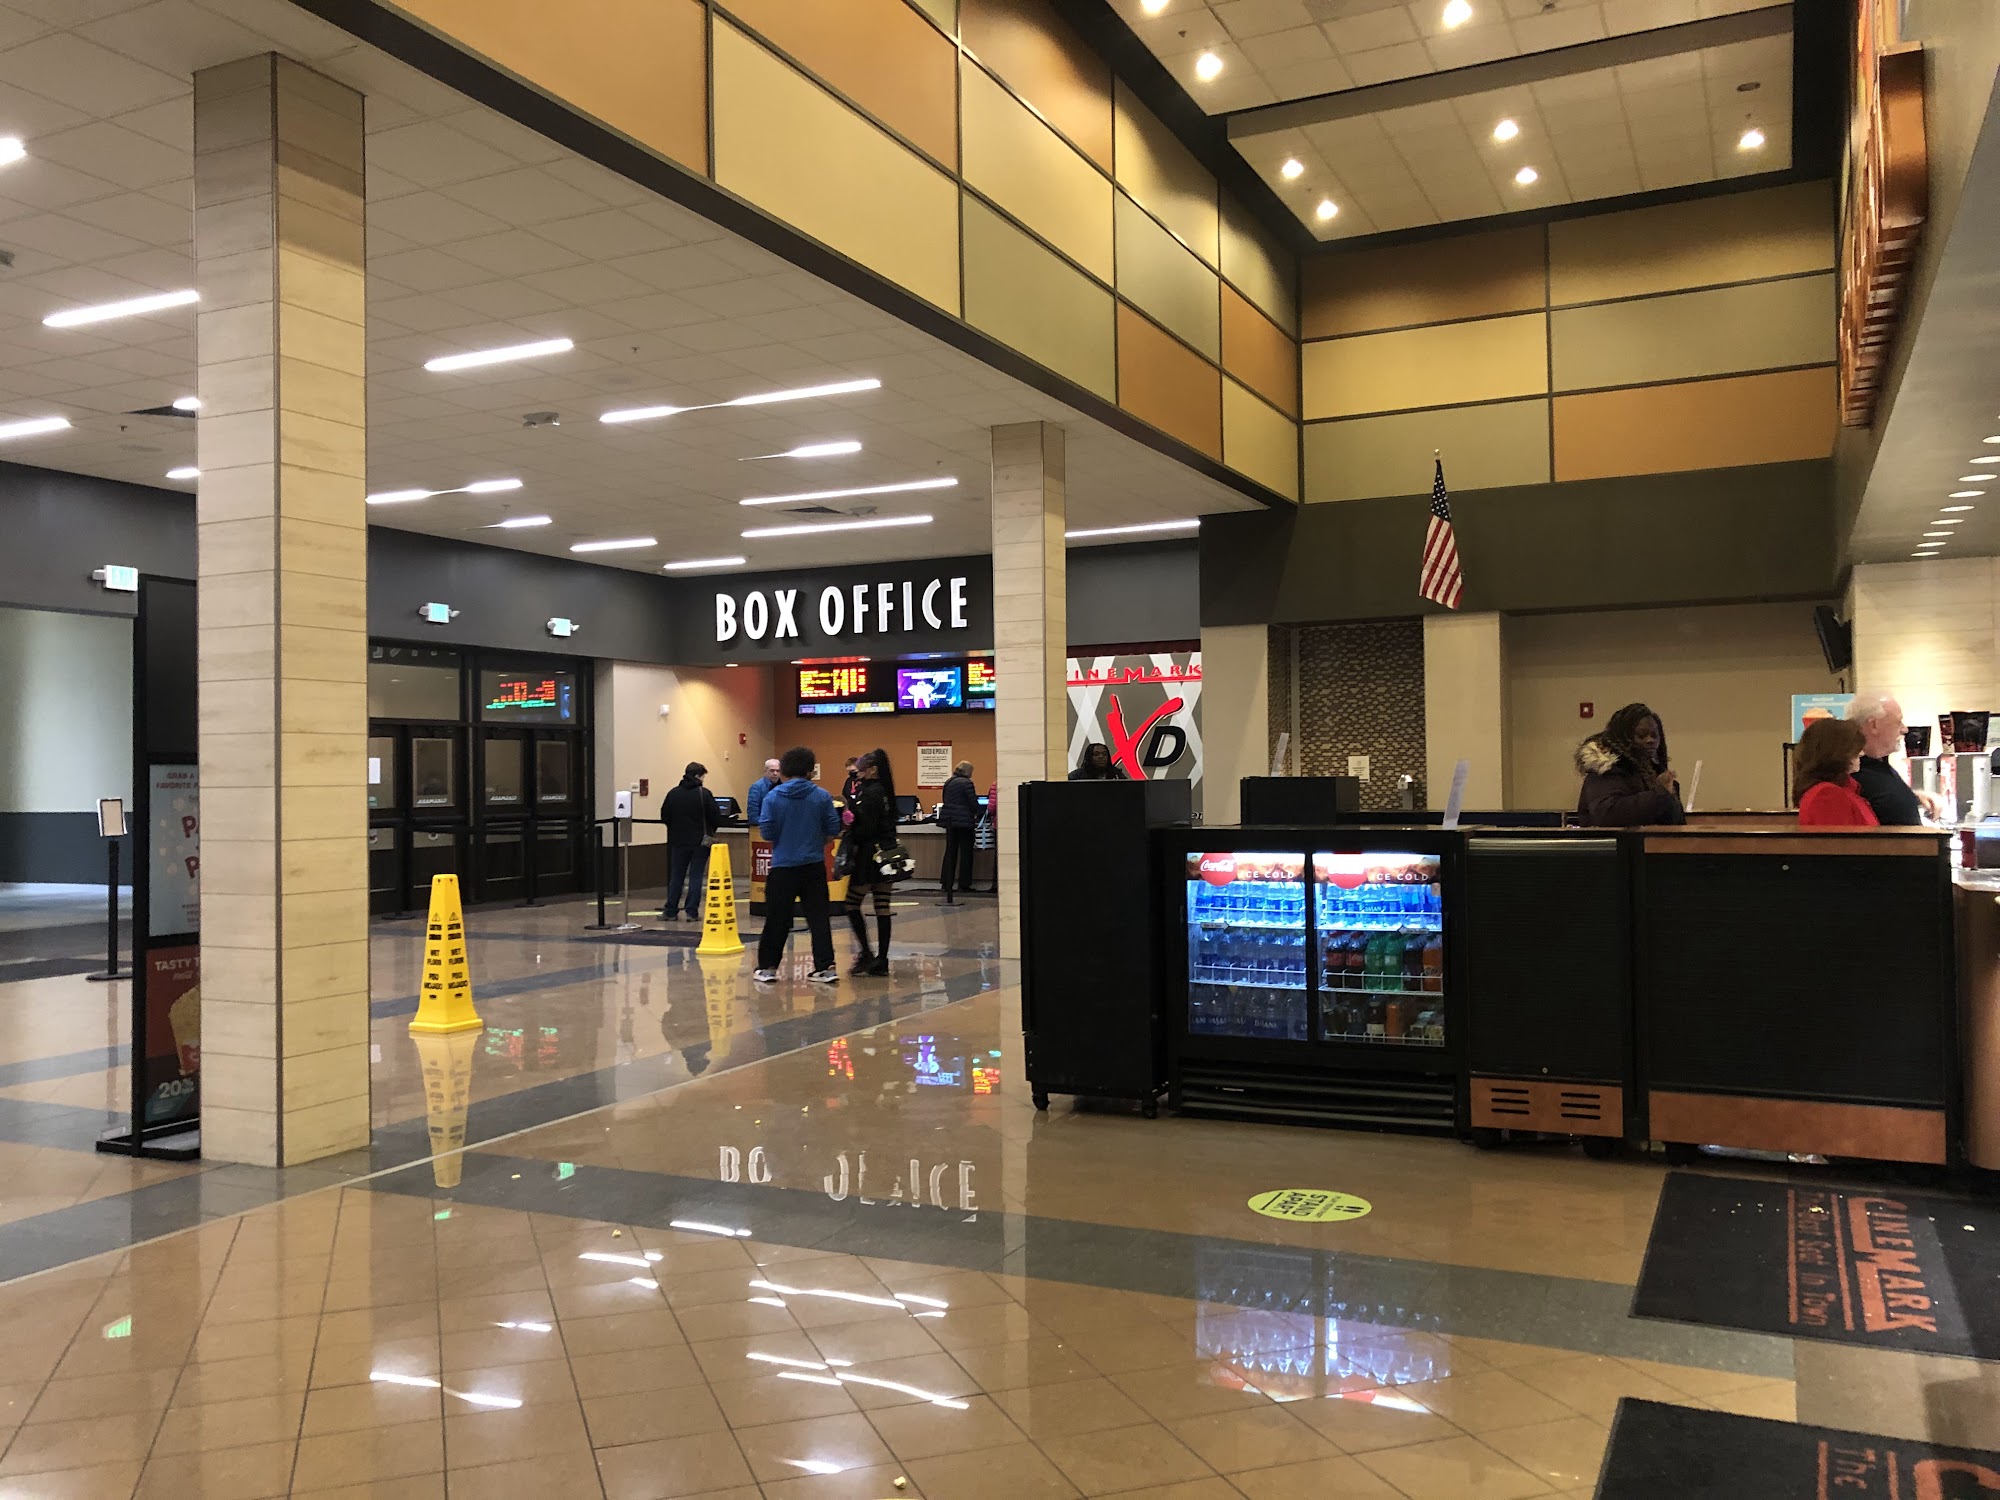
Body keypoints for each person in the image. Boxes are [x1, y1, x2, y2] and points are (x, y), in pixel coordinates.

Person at [753, 746, 841, 985]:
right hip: (813, 866)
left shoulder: (773, 797)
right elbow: (833, 828)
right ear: (810, 770)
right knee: (819, 918)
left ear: (784, 770)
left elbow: (767, 831)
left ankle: (768, 968)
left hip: (783, 866)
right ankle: (825, 967)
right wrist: (816, 842)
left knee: (777, 918)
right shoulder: (822, 796)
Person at [1574, 702, 1685, 827]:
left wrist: (1668, 796)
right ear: (1624, 737)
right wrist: (1659, 795)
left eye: (1655, 735)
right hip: (1611, 840)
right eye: (1641, 735)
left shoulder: (1653, 772)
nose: (1650, 740)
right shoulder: (1606, 769)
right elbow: (1608, 815)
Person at [840, 748, 900, 975]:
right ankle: (882, 959)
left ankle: (866, 952)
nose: (858, 772)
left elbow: (864, 828)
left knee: (851, 903)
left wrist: (849, 823)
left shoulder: (868, 793)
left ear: (872, 769)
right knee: (882, 906)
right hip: (887, 853)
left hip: (868, 856)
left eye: (861, 769)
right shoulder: (886, 791)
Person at [1845, 692, 1928, 825]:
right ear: (1874, 725)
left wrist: (1915, 797)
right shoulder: (1852, 773)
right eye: (1898, 722)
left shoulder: (1876, 766)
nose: (1905, 729)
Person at [660, 761, 721, 922]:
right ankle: (691, 912)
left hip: (678, 841)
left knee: (676, 876)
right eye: (703, 776)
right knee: (696, 876)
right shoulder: (704, 794)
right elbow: (715, 816)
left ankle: (670, 911)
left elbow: (665, 816)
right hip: (700, 842)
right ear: (697, 776)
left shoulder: (673, 793)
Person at [1794, 718, 1879, 827]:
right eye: (1855, 748)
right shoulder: (1827, 795)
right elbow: (1840, 837)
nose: (1862, 753)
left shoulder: (1843, 790)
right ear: (1837, 751)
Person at [938, 760, 979, 904]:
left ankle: (946, 883)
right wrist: (979, 813)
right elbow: (972, 803)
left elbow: (945, 799)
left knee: (950, 852)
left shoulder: (949, 781)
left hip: (949, 821)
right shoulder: (967, 783)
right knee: (966, 853)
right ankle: (964, 884)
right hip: (964, 821)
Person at [745, 758, 781, 826]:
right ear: (765, 771)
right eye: (772, 770)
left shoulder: (783, 786)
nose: (775, 773)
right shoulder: (757, 787)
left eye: (778, 771)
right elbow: (753, 816)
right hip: (762, 827)